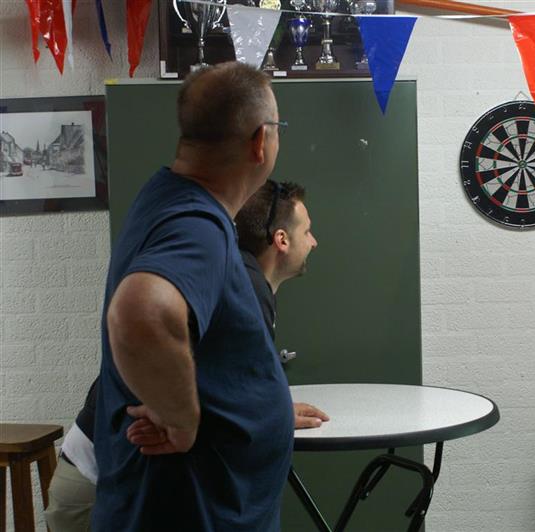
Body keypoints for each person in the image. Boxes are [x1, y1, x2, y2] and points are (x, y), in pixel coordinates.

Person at [45, 180, 328, 530]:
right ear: (281, 239)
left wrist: (268, 407)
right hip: (97, 483)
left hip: (103, 476)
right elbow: (150, 331)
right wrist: (182, 416)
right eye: (307, 231)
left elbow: (215, 383)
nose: (314, 242)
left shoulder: (248, 281)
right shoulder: (244, 284)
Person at [89, 61, 291, 531]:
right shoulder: (197, 224)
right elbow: (141, 311)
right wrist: (181, 421)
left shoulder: (169, 196)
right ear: (260, 141)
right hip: (188, 511)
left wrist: (255, 407)